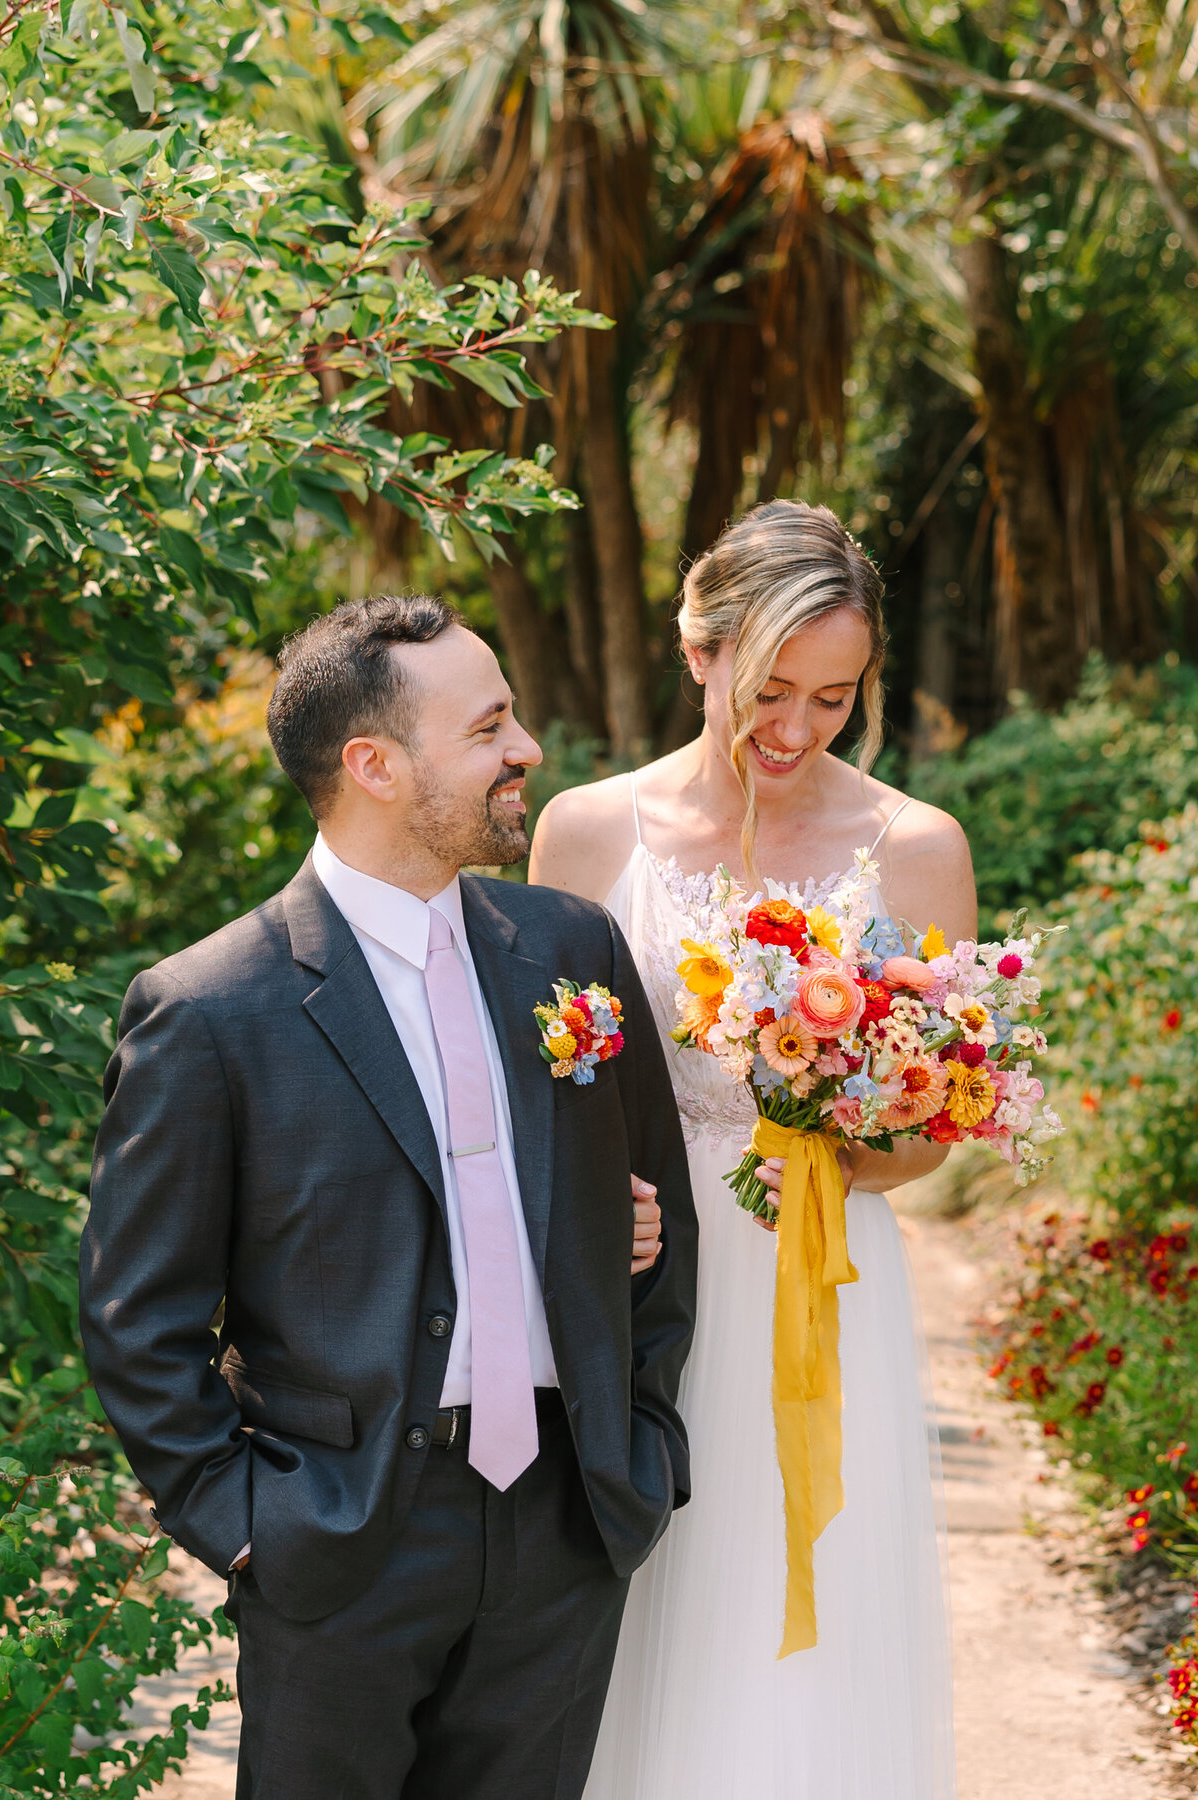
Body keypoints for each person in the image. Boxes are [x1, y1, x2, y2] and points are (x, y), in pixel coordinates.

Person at [79, 594, 699, 1800]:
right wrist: (247, 1520)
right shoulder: (209, 1011)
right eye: (491, 727)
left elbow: (656, 1214)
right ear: (373, 765)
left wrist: (645, 1444)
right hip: (343, 1541)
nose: (526, 751)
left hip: (566, 1523)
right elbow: (134, 1321)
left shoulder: (571, 950)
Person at [530, 500, 975, 1799]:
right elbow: (549, 1077)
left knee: (806, 1626)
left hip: (821, 1282)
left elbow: (931, 1132)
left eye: (833, 699)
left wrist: (851, 1162)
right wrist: (591, 1188)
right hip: (631, 1279)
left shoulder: (917, 848)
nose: (794, 731)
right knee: (630, 1608)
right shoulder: (587, 832)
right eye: (770, 689)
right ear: (699, 647)